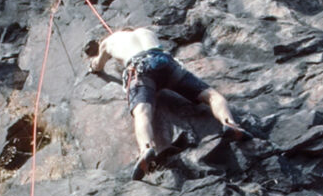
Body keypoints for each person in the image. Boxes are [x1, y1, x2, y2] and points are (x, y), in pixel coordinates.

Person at [88, 27, 248, 179]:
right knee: (212, 95)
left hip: (139, 67)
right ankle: (230, 123)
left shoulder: (109, 41)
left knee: (142, 112)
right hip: (164, 62)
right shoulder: (147, 32)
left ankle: (146, 149)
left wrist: (94, 65)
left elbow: (98, 66)